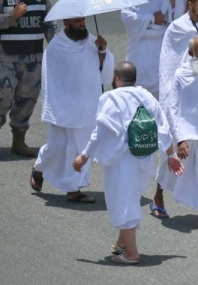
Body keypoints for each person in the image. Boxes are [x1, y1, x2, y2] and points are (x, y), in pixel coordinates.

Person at [72, 61, 184, 265]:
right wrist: (171, 155)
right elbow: (162, 127)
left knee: (122, 203)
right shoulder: (146, 96)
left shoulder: (111, 98)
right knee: (130, 199)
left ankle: (132, 253)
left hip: (122, 162)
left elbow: (100, 131)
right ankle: (122, 243)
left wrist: (84, 155)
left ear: (117, 79)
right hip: (144, 160)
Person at [30, 17, 114, 203]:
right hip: (61, 107)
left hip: (86, 105)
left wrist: (102, 52)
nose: (82, 24)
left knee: (80, 147)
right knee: (57, 147)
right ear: (66, 23)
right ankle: (39, 168)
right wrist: (52, 108)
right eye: (77, 21)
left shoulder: (93, 42)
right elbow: (49, 80)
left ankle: (73, 189)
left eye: (83, 20)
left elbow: (105, 74)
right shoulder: (55, 47)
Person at [154, 0, 198, 218]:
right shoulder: (177, 28)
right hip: (180, 103)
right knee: (171, 159)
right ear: (190, 5)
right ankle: (158, 195)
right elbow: (169, 64)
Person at [159, 36, 198, 231]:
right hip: (185, 132)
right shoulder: (181, 74)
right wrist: (180, 139)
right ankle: (158, 197)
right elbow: (172, 108)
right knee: (172, 170)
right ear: (190, 53)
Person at [0, 0, 55, 156]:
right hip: (6, 60)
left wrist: (58, 46)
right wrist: (12, 16)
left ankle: (19, 141)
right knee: (1, 100)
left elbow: (49, 23)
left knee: (27, 100)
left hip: (34, 58)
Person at [121, 0, 183, 99]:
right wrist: (152, 18)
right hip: (141, 49)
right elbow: (126, 16)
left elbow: (177, 16)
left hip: (161, 48)